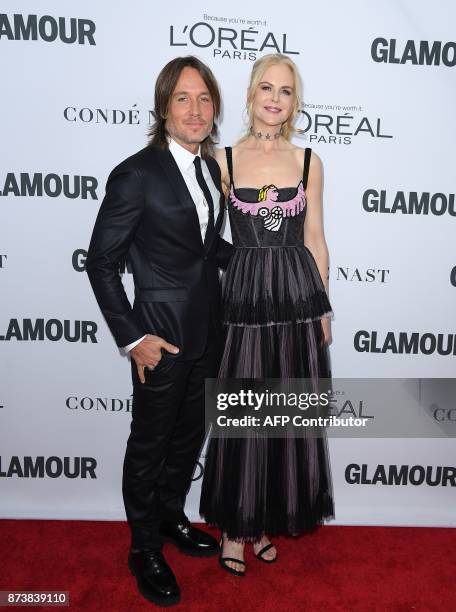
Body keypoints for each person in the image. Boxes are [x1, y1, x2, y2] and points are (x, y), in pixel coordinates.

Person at [86, 56, 232, 606]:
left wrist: (256, 262)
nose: (194, 110)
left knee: (188, 437)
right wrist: (132, 337)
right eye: (182, 99)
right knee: (148, 445)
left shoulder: (210, 169)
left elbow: (203, 247)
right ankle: (143, 546)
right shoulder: (137, 173)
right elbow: (101, 262)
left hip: (208, 334)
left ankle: (172, 516)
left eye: (203, 99)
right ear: (163, 107)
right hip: (160, 341)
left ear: (214, 107)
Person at [200, 53, 334, 576]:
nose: (274, 100)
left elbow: (317, 239)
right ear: (252, 95)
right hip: (247, 297)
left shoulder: (308, 162)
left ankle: (266, 519)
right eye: (266, 89)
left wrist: (323, 308)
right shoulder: (223, 160)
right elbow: (207, 239)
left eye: (285, 91)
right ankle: (237, 527)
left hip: (298, 298)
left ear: (293, 102)